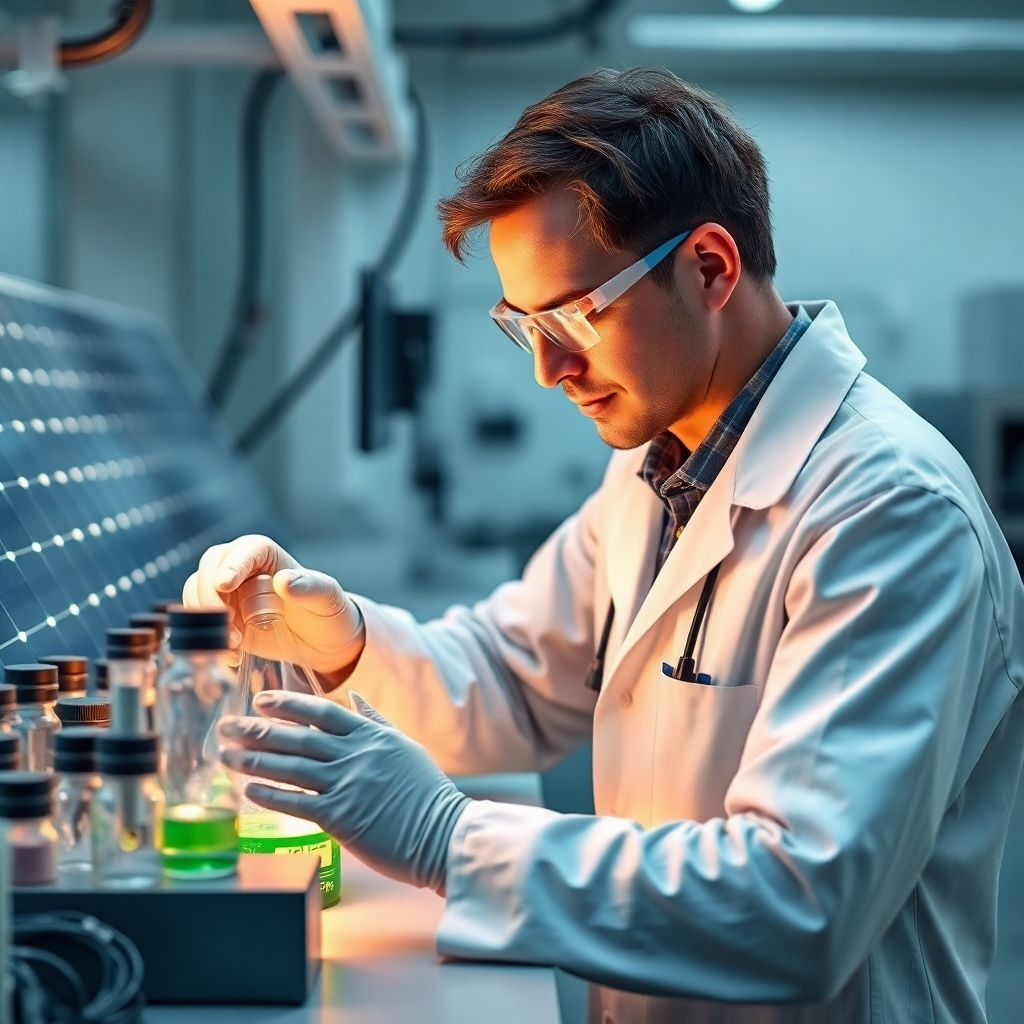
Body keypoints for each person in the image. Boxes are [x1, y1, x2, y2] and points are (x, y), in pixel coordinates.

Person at [190, 68, 1024, 1022]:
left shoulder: (888, 513)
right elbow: (516, 676)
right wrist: (342, 640)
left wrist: (445, 835)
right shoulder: (656, 468)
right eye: (522, 324)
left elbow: (801, 902)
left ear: (709, 266)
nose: (548, 367)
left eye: (574, 313)